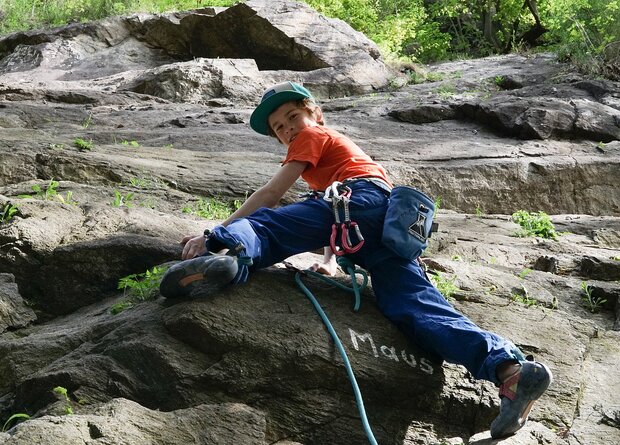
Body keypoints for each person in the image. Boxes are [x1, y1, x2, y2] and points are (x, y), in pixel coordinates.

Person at [160, 81, 553, 439]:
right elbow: (340, 220)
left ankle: (230, 254)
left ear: (316, 114)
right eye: (279, 127)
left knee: (269, 227)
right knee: (414, 305)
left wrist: (213, 233)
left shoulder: (313, 136)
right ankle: (510, 371)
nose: (288, 129)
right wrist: (331, 262)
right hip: (382, 221)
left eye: (293, 117)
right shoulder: (340, 153)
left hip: (357, 201)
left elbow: (272, 195)